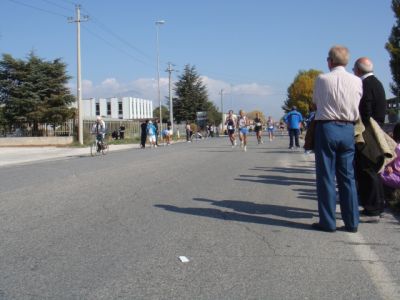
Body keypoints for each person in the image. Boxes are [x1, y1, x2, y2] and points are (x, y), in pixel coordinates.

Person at [311, 45, 362, 233]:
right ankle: (352, 222)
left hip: (327, 127)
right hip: (348, 128)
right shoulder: (357, 81)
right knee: (347, 176)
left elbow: (316, 102)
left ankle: (328, 221)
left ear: (330, 61)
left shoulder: (322, 79)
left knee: (326, 176)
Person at [353, 57, 387, 223]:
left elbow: (365, 109)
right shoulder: (378, 83)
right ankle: (379, 205)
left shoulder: (365, 85)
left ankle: (372, 208)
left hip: (368, 131)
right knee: (375, 168)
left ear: (358, 70)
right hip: (378, 128)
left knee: (366, 169)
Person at [381, 123, 400, 190]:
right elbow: (389, 160)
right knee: (381, 174)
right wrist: (389, 166)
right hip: (394, 172)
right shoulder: (395, 145)